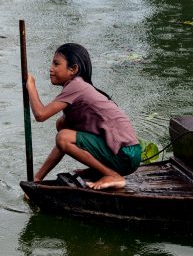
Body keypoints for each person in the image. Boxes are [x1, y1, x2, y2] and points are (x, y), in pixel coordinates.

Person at [25, 43, 141, 190]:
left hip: (126, 154)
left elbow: (41, 115)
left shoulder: (76, 86)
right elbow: (61, 145)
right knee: (62, 125)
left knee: (63, 136)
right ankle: (103, 170)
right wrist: (37, 179)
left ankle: (112, 175)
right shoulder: (77, 87)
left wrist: (31, 86)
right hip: (126, 153)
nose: (51, 68)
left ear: (73, 69)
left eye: (56, 64)